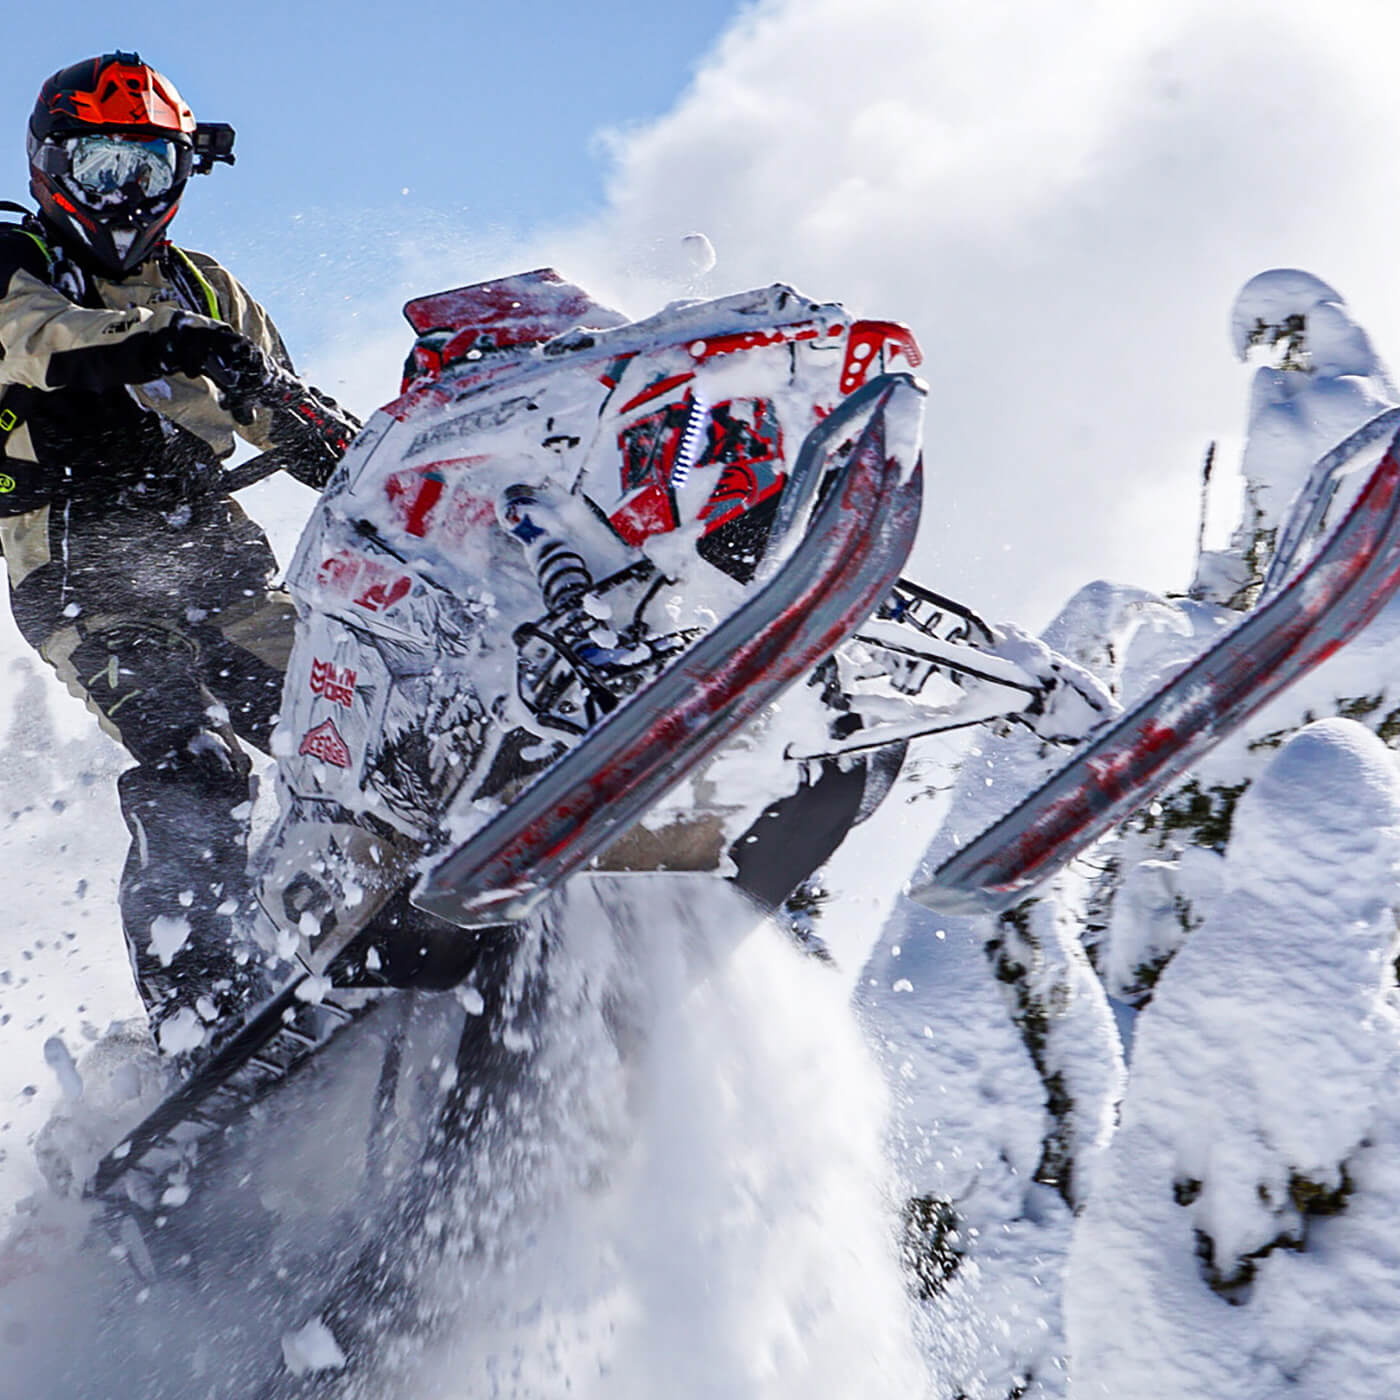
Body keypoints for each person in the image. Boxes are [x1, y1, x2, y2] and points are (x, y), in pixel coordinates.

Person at [0, 52, 355, 1054]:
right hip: (90, 591)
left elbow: (289, 416)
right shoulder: (15, 269)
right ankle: (204, 1008)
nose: (124, 195)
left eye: (147, 170)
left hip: (227, 580)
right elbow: (62, 349)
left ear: (182, 174)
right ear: (50, 163)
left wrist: (349, 445)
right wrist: (182, 347)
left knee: (358, 719)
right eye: (103, 166)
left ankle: (390, 906)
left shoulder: (205, 287)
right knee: (197, 761)